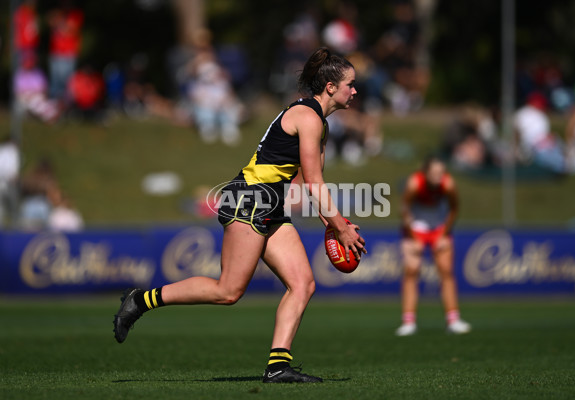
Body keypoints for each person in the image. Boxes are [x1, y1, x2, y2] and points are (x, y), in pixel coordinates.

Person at [113, 47, 367, 383]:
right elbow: (316, 182)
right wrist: (342, 229)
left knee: (302, 284)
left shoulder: (318, 123)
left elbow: (308, 181)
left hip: (269, 206)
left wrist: (333, 225)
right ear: (331, 87)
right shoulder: (307, 117)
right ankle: (141, 300)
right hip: (248, 201)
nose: (355, 90)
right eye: (350, 83)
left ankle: (278, 367)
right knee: (228, 291)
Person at [396, 156, 471, 336]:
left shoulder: (449, 184)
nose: (439, 176)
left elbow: (454, 209)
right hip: (415, 226)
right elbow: (404, 210)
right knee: (411, 272)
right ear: (426, 173)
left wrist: (444, 235)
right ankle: (408, 322)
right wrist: (414, 237)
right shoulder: (414, 184)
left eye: (441, 172)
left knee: (446, 271)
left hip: (439, 226)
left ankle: (453, 320)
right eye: (435, 173)